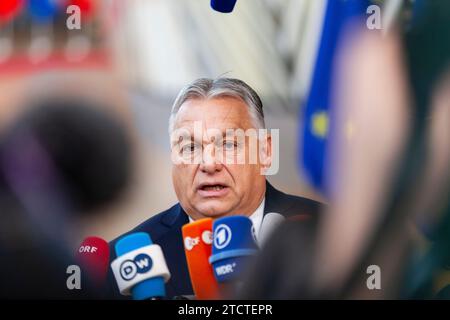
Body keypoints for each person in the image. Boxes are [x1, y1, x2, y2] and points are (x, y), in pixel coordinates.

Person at [107, 77, 323, 298]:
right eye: (190, 147)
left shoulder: (330, 233)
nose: (209, 164)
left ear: (265, 152)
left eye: (228, 144)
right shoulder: (120, 263)